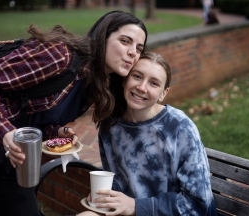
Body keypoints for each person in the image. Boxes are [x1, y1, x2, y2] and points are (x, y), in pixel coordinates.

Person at [0, 10, 147, 216]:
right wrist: (6, 132)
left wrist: (57, 132)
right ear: (103, 37)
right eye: (125, 41)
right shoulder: (60, 56)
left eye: (139, 48)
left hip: (15, 156)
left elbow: (35, 110)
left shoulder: (94, 84)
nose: (132, 53)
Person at [77, 52, 217, 216]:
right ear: (125, 80)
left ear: (164, 93)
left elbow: (198, 204)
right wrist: (107, 197)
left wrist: (136, 206)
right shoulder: (111, 125)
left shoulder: (180, 128)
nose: (142, 87)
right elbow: (117, 181)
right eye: (137, 76)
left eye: (154, 83)